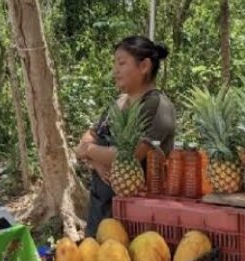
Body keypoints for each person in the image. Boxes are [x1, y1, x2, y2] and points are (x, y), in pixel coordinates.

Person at [75, 36, 176, 237]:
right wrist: (96, 162)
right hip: (101, 206)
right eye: (115, 63)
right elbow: (87, 137)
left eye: (122, 63)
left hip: (137, 215)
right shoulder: (119, 102)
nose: (116, 70)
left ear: (145, 66)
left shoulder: (155, 105)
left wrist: (89, 151)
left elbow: (131, 155)